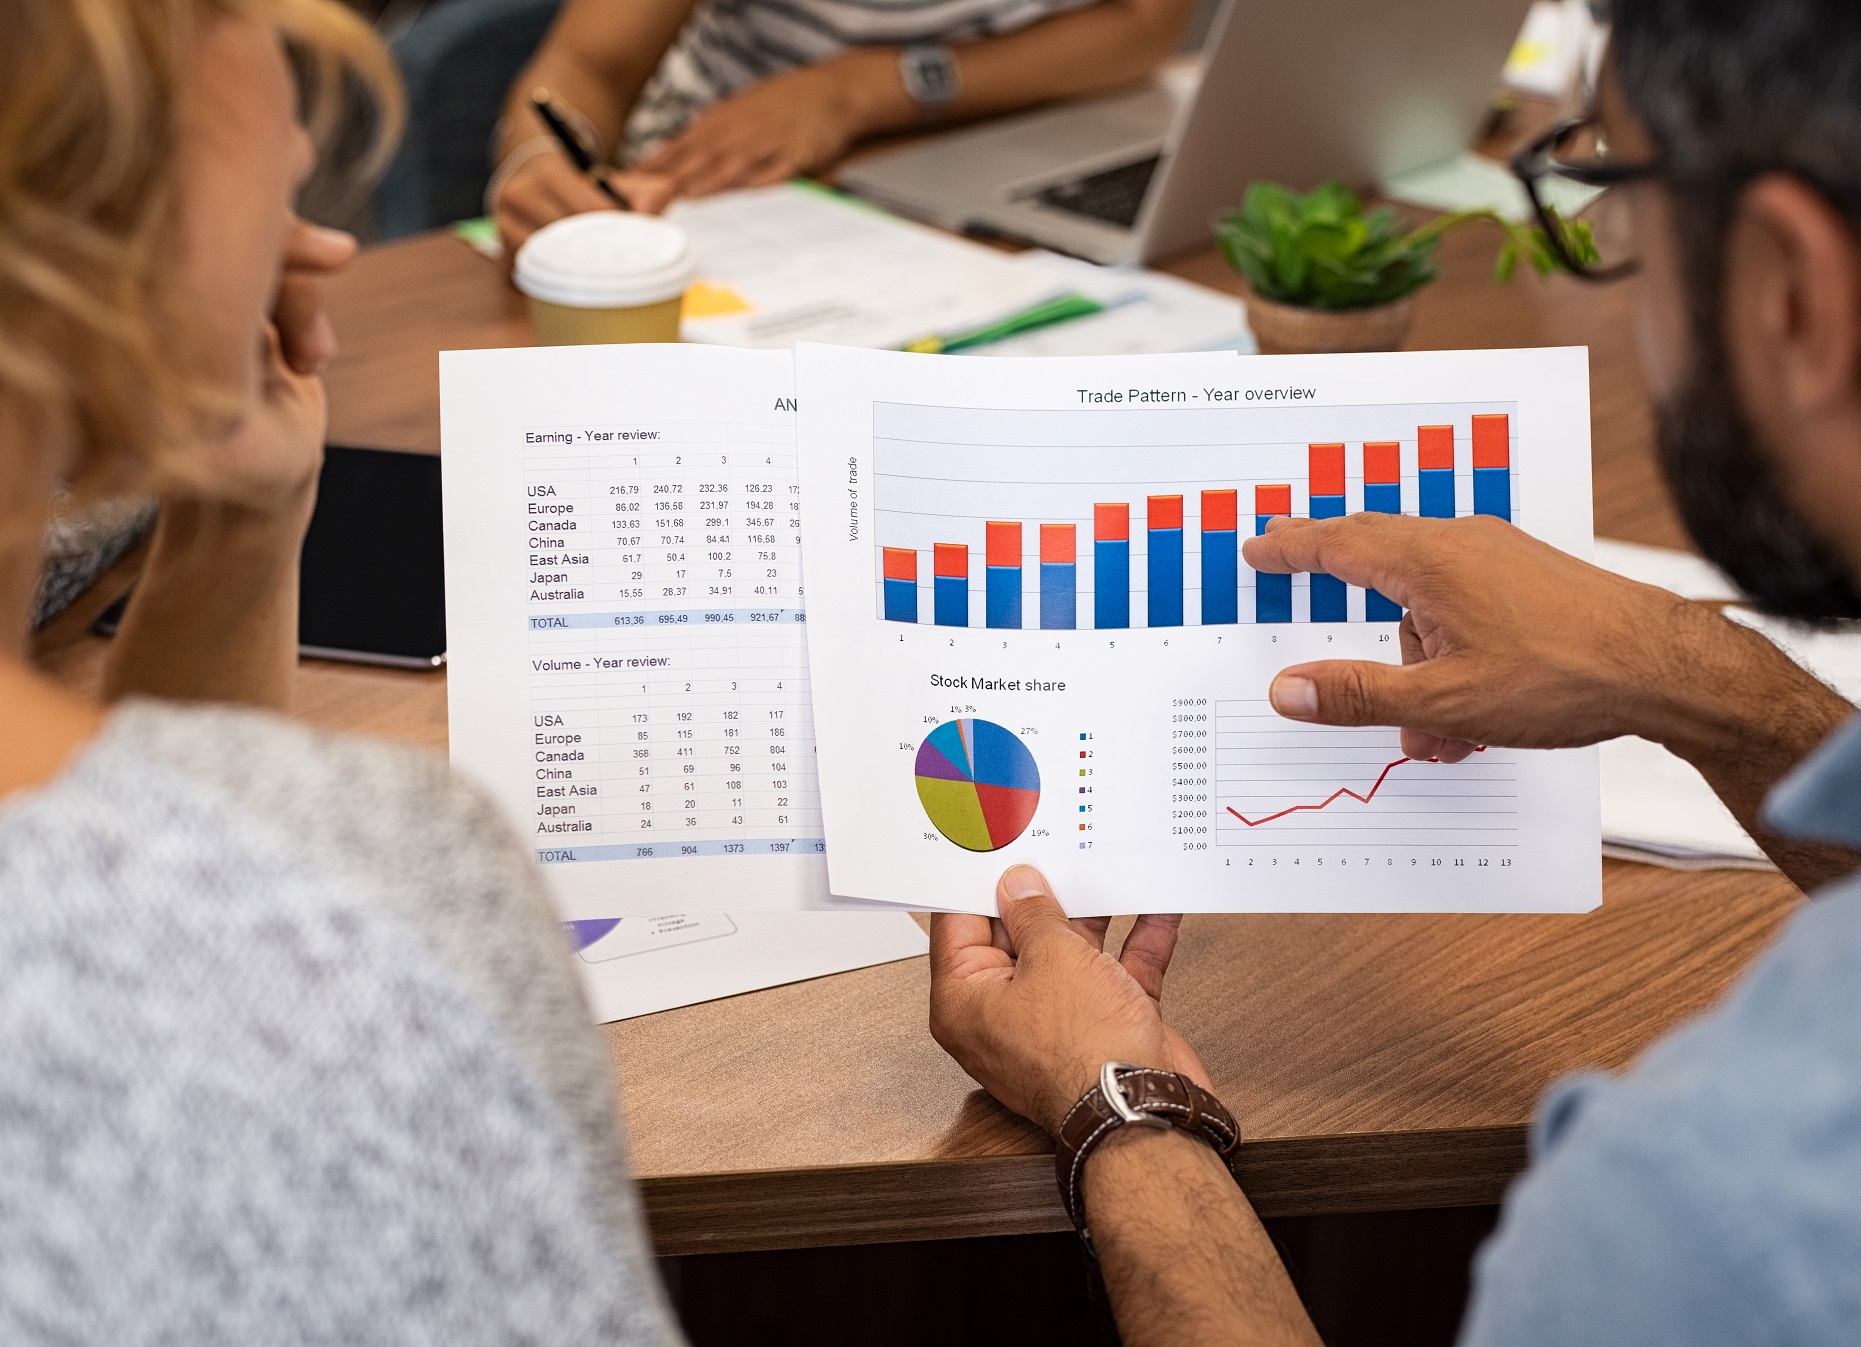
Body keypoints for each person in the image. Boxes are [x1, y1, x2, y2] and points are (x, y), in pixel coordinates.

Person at [929, 0, 1861, 1341]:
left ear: (1795, 292)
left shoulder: (1735, 1204)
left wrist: (1121, 1106)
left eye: (1617, 197)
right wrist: (1692, 671)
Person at [0, 2, 683, 1340]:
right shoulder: (378, 907)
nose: (306, 136)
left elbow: (168, 870)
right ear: (97, 195)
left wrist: (237, 525)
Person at [489, 0, 1191, 249]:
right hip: (733, 176)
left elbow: (1147, 26)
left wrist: (865, 89)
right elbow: (586, 64)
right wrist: (535, 160)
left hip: (1005, 143)